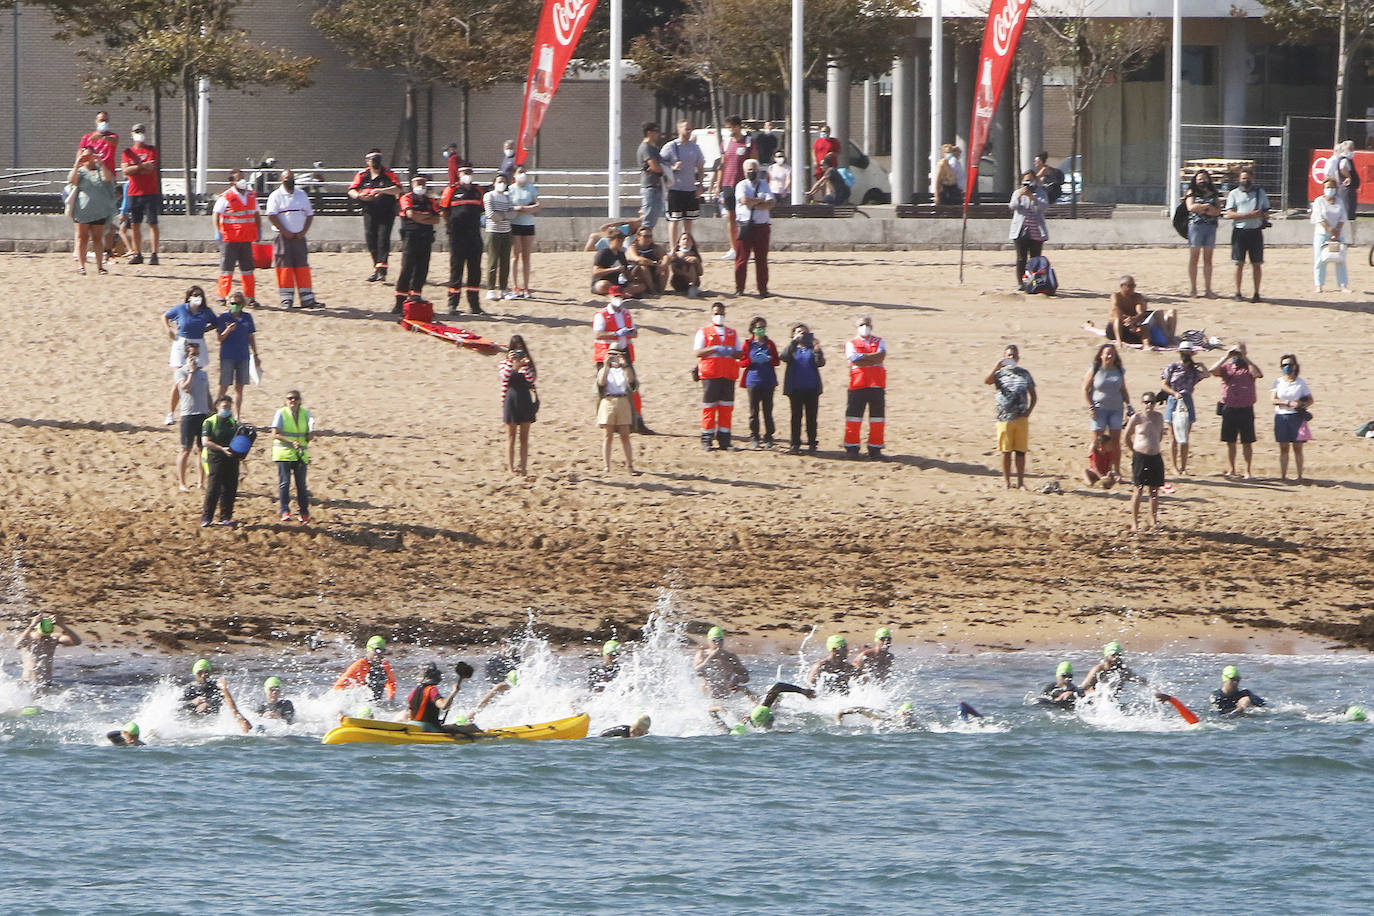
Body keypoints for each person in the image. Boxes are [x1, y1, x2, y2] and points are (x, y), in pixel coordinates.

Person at [592, 286, 652, 434]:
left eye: (620, 297)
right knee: (605, 389)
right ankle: (606, 421)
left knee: (632, 388)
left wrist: (629, 332)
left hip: (624, 355)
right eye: (615, 297)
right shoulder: (602, 315)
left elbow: (635, 332)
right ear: (609, 297)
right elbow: (598, 334)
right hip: (607, 355)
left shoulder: (626, 314)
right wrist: (616, 334)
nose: (618, 299)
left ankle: (637, 421)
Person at [162, 286, 220, 426]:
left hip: (198, 342)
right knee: (179, 379)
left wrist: (204, 329)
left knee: (198, 378)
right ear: (189, 296)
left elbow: (216, 322)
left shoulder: (205, 311)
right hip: (182, 342)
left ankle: (204, 411)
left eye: (200, 295)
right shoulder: (181, 309)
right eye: (194, 295)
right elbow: (165, 316)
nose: (197, 297)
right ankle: (171, 413)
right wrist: (168, 329)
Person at [266, 169, 324, 309]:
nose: (290, 181)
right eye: (287, 179)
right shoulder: (276, 196)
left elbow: (309, 214)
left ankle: (307, 299)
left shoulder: (301, 194)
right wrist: (284, 231)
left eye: (291, 178)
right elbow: (272, 215)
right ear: (281, 180)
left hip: (299, 237)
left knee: (302, 267)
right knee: (284, 267)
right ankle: (286, 300)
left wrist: (304, 231)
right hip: (282, 237)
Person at [985, 344, 1037, 489]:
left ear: (1018, 358)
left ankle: (1021, 482)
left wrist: (1029, 411)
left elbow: (1033, 395)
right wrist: (997, 367)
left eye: (1014, 355)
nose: (1011, 358)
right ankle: (1007, 482)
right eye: (1009, 355)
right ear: (1004, 357)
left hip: (1021, 417)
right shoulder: (999, 374)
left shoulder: (1024, 373)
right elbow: (987, 381)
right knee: (1006, 451)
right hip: (1004, 418)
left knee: (1020, 452)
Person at [347, 149, 403, 282]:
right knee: (371, 238)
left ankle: (382, 270)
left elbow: (398, 188)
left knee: (383, 239)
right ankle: (376, 267)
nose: (375, 162)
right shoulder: (362, 175)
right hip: (369, 211)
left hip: (386, 212)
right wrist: (359, 196)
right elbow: (351, 190)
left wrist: (381, 190)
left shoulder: (388, 173)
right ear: (367, 161)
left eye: (378, 159)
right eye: (373, 159)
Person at [1210, 343, 1263, 479]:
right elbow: (1212, 370)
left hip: (1246, 409)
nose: (1237, 356)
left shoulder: (1248, 368)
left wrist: (1245, 358)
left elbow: (1258, 374)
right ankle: (1232, 469)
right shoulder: (1227, 368)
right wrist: (1226, 356)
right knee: (1230, 441)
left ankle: (1247, 471)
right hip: (1229, 408)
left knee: (1247, 442)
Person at [694, 301, 741, 451]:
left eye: (721, 313)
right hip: (710, 374)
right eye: (716, 313)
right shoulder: (704, 331)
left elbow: (740, 353)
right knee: (709, 407)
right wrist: (714, 348)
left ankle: (724, 440)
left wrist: (730, 351)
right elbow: (698, 352)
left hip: (728, 374)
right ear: (711, 314)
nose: (718, 316)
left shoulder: (732, 333)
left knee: (726, 407)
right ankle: (706, 440)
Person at [212, 169, 262, 307]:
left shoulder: (251, 196)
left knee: (248, 270)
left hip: (246, 239)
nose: (242, 180)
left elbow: (256, 214)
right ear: (232, 181)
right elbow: (216, 214)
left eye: (243, 177)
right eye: (239, 178)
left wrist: (259, 230)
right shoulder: (226, 196)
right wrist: (218, 231)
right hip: (229, 239)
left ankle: (250, 297)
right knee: (226, 269)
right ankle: (222, 297)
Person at [440, 165, 486, 316]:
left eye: (470, 172)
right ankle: (453, 304)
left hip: (474, 235)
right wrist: (451, 227)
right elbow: (444, 211)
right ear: (459, 174)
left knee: (475, 270)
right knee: (456, 269)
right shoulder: (452, 190)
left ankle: (475, 305)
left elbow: (482, 210)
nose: (467, 175)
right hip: (457, 236)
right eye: (465, 172)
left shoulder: (478, 191)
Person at [393, 174, 440, 313]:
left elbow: (437, 219)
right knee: (407, 268)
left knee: (422, 268)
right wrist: (426, 217)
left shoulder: (430, 200)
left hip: (426, 238)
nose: (421, 186)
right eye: (418, 183)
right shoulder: (407, 198)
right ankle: (399, 302)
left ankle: (416, 295)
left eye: (423, 183)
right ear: (412, 184)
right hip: (411, 237)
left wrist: (420, 218)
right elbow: (411, 215)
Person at [68, 146, 117, 275]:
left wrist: (100, 162)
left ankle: (100, 266)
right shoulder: (80, 171)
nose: (89, 159)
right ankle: (81, 266)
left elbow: (107, 179)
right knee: (82, 238)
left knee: (97, 238)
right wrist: (77, 164)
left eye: (91, 155)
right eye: (86, 156)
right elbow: (72, 180)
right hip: (82, 210)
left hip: (99, 210)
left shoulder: (100, 170)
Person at [1223, 167, 1270, 302]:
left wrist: (1261, 215)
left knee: (1257, 263)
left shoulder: (1260, 193)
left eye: (1248, 178)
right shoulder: (1233, 194)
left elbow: (1266, 211)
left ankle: (1256, 293)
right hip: (1239, 232)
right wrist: (1248, 215)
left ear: (1253, 179)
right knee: (1239, 263)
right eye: (1243, 178)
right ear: (1239, 179)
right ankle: (1237, 292)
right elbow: (1230, 214)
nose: (1246, 181)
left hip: (1255, 232)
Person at [843, 315, 887, 460]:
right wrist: (870, 358)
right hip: (857, 384)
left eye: (867, 324)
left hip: (877, 385)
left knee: (877, 419)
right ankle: (852, 448)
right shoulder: (851, 343)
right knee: (853, 418)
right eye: (862, 324)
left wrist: (864, 357)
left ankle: (875, 449)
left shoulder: (879, 341)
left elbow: (881, 356)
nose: (865, 327)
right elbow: (854, 359)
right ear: (857, 327)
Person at [1160, 343, 1208, 475]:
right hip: (1173, 400)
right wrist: (1174, 393)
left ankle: (1183, 467)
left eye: (1188, 353)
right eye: (1184, 353)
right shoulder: (1173, 367)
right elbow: (1164, 385)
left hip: (1187, 401)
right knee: (1173, 436)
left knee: (1185, 436)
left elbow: (1206, 374)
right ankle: (1174, 466)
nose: (1186, 355)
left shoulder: (1193, 371)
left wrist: (1201, 365)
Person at [1083, 343, 1129, 477]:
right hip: (1099, 408)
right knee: (1098, 440)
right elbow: (1085, 389)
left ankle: (1116, 469)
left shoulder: (1119, 370)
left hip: (1116, 408)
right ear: (1101, 355)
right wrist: (1090, 406)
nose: (1109, 356)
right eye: (1107, 353)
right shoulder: (1095, 369)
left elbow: (1123, 389)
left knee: (1115, 441)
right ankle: (1094, 468)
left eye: (1112, 354)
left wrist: (1129, 405)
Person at [659, 119, 706, 248]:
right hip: (675, 189)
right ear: (679, 130)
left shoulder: (695, 148)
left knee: (689, 220)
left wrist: (700, 185)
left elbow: (701, 167)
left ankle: (686, 246)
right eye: (686, 128)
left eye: (690, 128)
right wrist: (672, 167)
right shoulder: (671, 146)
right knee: (674, 220)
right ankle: (673, 248)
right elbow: (660, 164)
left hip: (690, 189)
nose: (688, 131)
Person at [1123, 391, 1166, 532]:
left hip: (1155, 456)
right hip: (1141, 456)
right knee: (1138, 489)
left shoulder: (1159, 417)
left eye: (1152, 402)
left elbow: (1159, 435)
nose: (1149, 405)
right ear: (1142, 403)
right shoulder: (1137, 418)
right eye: (1146, 402)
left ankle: (1153, 519)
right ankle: (1134, 522)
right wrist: (1135, 451)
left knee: (1154, 491)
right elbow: (1126, 437)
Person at [780, 323, 825, 454]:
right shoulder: (792, 348)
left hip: (812, 388)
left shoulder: (812, 348)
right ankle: (795, 444)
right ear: (793, 334)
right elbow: (783, 357)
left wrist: (817, 348)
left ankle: (812, 443)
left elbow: (820, 363)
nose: (802, 334)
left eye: (804, 332)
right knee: (796, 417)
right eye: (799, 332)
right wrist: (794, 342)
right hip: (795, 388)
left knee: (811, 417)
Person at [712, 115, 754, 256]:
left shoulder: (748, 142)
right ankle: (733, 248)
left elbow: (754, 164)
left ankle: (747, 247)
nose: (729, 130)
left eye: (731, 127)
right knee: (731, 217)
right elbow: (722, 165)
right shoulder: (726, 143)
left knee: (746, 217)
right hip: (728, 184)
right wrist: (718, 186)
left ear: (738, 126)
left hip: (743, 185)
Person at [120, 122, 160, 265]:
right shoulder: (127, 152)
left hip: (150, 191)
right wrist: (140, 167)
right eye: (136, 131)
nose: (139, 134)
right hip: (134, 192)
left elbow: (150, 168)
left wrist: (135, 168)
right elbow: (125, 171)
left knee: (152, 223)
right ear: (132, 134)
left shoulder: (151, 150)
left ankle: (154, 254)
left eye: (141, 131)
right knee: (135, 224)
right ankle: (137, 253)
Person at [174, 342, 212, 491]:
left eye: (196, 354)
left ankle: (201, 482)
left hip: (203, 414)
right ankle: (182, 483)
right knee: (186, 449)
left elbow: (207, 393)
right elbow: (185, 388)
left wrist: (212, 409)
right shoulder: (181, 372)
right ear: (186, 355)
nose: (195, 357)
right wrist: (190, 371)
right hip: (188, 415)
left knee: (202, 449)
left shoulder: (203, 374)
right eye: (192, 354)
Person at [737, 316, 780, 448]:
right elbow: (742, 363)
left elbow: (777, 361)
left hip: (768, 381)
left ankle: (769, 436)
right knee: (753, 411)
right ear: (753, 329)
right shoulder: (748, 344)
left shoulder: (769, 344)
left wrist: (768, 358)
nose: (761, 330)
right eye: (759, 327)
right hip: (753, 381)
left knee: (768, 411)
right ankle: (754, 436)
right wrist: (752, 360)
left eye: (763, 327)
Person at [200, 395, 243, 527]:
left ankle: (225, 517)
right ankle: (207, 517)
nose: (227, 409)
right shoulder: (210, 422)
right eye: (224, 407)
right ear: (217, 406)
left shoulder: (233, 423)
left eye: (229, 407)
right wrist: (221, 449)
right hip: (216, 457)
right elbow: (206, 442)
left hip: (231, 457)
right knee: (213, 488)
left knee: (230, 488)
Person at [215, 292, 260, 417]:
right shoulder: (223, 318)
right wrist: (228, 330)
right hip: (227, 356)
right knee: (224, 386)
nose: (235, 306)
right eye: (233, 303)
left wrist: (255, 354)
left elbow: (251, 336)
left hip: (243, 355)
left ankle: (237, 416)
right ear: (229, 303)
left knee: (239, 388)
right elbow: (220, 338)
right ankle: (218, 413)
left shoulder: (247, 317)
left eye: (238, 303)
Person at [734, 158, 774, 296]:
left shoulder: (764, 185)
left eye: (754, 169)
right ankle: (739, 288)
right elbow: (744, 200)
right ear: (745, 172)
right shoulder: (741, 185)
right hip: (745, 225)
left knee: (761, 259)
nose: (752, 172)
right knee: (741, 259)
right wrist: (760, 202)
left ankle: (763, 289)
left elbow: (771, 203)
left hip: (762, 226)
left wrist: (753, 202)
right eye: (750, 169)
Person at [498, 335, 538, 477]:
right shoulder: (504, 364)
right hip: (511, 400)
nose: (518, 351)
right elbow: (504, 377)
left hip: (525, 399)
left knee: (524, 438)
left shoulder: (528, 364)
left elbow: (530, 379)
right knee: (511, 436)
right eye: (516, 348)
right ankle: (510, 467)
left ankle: (524, 467)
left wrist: (523, 365)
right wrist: (512, 363)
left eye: (521, 348)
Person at [1272, 353, 1314, 483]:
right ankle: (1283, 476)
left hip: (1296, 417)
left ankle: (1299, 475)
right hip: (1281, 416)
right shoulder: (1278, 382)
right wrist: (1288, 403)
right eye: (1284, 365)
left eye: (1289, 365)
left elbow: (1310, 400)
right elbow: (1273, 399)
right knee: (1283, 447)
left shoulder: (1301, 382)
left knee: (1298, 448)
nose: (1287, 367)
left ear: (1295, 366)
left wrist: (1301, 404)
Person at [271, 389, 312, 523]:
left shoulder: (306, 414)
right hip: (284, 453)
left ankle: (304, 512)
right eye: (289, 398)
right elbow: (275, 433)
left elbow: (307, 434)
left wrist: (310, 436)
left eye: (295, 398)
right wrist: (290, 442)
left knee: (301, 485)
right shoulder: (281, 413)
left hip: (300, 455)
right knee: (285, 483)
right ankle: (285, 511)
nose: (292, 401)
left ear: (300, 400)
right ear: (286, 400)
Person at [709, 682, 815, 734]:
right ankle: (715, 711)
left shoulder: (774, 709)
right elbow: (777, 688)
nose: (777, 701)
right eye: (776, 698)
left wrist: (743, 688)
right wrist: (803, 691)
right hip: (752, 723)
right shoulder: (761, 708)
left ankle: (714, 712)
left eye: (779, 699)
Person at [597, 346, 639, 475]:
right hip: (608, 401)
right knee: (607, 435)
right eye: (611, 354)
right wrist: (606, 366)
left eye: (617, 354)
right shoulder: (604, 369)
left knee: (625, 434)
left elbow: (632, 383)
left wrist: (625, 365)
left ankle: (630, 465)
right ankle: (607, 466)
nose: (614, 357)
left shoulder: (626, 369)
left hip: (623, 401)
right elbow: (601, 383)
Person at [13, 613, 82, 689]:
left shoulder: (53, 638)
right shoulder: (29, 637)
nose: (45, 637)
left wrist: (62, 625)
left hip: (45, 683)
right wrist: (31, 625)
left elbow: (77, 642)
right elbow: (17, 645)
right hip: (27, 681)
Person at [408, 662, 479, 734]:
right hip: (429, 728)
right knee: (472, 727)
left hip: (413, 725)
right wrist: (454, 692)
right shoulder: (431, 690)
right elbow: (443, 706)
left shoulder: (413, 692)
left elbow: (412, 713)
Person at [1108, 276, 1177, 348]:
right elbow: (1115, 309)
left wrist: (1134, 319)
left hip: (1133, 325)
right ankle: (1119, 342)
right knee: (1117, 318)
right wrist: (1126, 320)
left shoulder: (1137, 297)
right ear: (1122, 286)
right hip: (1116, 328)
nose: (1132, 288)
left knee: (1146, 323)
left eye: (1134, 286)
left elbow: (1140, 312)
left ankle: (1148, 345)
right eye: (1130, 286)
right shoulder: (1116, 296)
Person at [1184, 169, 1221, 297]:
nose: (1202, 181)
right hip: (1196, 227)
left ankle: (1208, 289)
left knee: (1208, 259)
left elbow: (1217, 210)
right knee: (1194, 258)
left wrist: (1203, 209)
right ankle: (1193, 289)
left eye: (1204, 178)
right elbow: (1191, 207)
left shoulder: (1213, 193)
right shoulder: (1191, 192)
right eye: (1199, 179)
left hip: (1210, 227)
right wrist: (1206, 208)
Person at [1009, 171, 1049, 287]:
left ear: (1035, 180)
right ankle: (1021, 283)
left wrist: (1033, 198)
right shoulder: (1017, 192)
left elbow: (1044, 206)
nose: (1028, 183)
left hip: (1036, 231)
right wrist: (1020, 196)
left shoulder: (1041, 192)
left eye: (1030, 180)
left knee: (1035, 258)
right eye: (1026, 180)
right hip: (1020, 230)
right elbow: (1012, 206)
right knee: (1021, 258)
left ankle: (1034, 282)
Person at [1311, 177, 1351, 294]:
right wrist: (1330, 230)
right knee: (1319, 260)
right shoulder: (1319, 201)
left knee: (1340, 259)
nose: (1330, 189)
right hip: (1322, 234)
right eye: (1328, 187)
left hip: (1339, 234)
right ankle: (1319, 285)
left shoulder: (1339, 201)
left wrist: (1337, 231)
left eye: (1332, 187)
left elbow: (1343, 216)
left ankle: (1343, 284)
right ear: (1324, 188)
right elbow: (1319, 218)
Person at [508, 166, 540, 299]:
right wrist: (517, 209)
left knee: (526, 256)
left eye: (524, 172)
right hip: (515, 224)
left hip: (528, 224)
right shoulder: (510, 189)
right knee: (515, 256)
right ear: (514, 175)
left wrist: (525, 209)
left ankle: (526, 287)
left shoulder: (531, 188)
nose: (522, 175)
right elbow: (509, 207)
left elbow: (538, 206)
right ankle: (515, 286)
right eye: (519, 172)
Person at [693, 626, 751, 698]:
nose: (718, 643)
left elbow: (746, 676)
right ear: (708, 640)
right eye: (714, 640)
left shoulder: (730, 656)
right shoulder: (702, 654)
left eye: (720, 640)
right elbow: (697, 672)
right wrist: (710, 657)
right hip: (707, 698)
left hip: (725, 697)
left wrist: (737, 679)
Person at [334, 635, 397, 701]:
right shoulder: (359, 665)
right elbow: (338, 686)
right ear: (369, 650)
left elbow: (391, 682)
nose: (380, 654)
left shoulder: (385, 665)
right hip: (359, 703)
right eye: (377, 650)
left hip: (376, 703)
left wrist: (391, 699)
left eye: (383, 651)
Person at [483, 172, 514, 301]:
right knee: (492, 261)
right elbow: (490, 214)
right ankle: (490, 289)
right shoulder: (489, 196)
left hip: (506, 232)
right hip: (493, 232)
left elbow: (513, 214)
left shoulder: (508, 197)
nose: (502, 184)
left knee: (505, 262)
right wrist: (504, 215)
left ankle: (503, 289)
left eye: (504, 182)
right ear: (494, 183)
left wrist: (503, 215)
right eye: (499, 181)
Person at [590, 229, 647, 298]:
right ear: (611, 240)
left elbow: (627, 275)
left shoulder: (621, 254)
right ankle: (620, 292)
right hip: (602, 281)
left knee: (641, 286)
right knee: (603, 285)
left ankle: (619, 292)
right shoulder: (603, 253)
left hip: (617, 283)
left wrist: (634, 272)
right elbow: (595, 272)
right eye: (618, 241)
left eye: (622, 241)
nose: (621, 243)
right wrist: (614, 269)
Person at [1079, 641, 1147, 696]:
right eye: (1113, 655)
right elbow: (1082, 688)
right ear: (1107, 655)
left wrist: (1155, 689)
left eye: (1119, 655)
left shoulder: (1123, 671)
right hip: (1094, 700)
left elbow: (1142, 681)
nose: (1116, 657)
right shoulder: (1098, 670)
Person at [637, 121, 665, 231]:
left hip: (656, 186)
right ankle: (640, 242)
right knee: (647, 219)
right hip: (650, 186)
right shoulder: (646, 147)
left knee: (653, 218)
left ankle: (646, 239)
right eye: (656, 131)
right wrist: (667, 169)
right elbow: (654, 167)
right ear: (649, 133)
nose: (658, 134)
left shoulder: (654, 148)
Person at [626, 226, 670, 295]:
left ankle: (660, 290)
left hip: (653, 271)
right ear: (638, 237)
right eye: (645, 236)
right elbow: (637, 258)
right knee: (643, 266)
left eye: (650, 236)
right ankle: (651, 290)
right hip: (636, 273)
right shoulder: (633, 247)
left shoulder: (655, 247)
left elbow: (665, 256)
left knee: (665, 267)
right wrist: (654, 263)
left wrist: (663, 264)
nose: (648, 239)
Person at [668, 230, 703, 298]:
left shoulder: (695, 255)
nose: (686, 241)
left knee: (691, 265)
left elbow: (700, 273)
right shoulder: (675, 255)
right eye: (684, 239)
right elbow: (674, 270)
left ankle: (693, 288)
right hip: (679, 280)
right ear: (679, 243)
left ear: (692, 243)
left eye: (688, 239)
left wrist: (697, 261)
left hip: (694, 281)